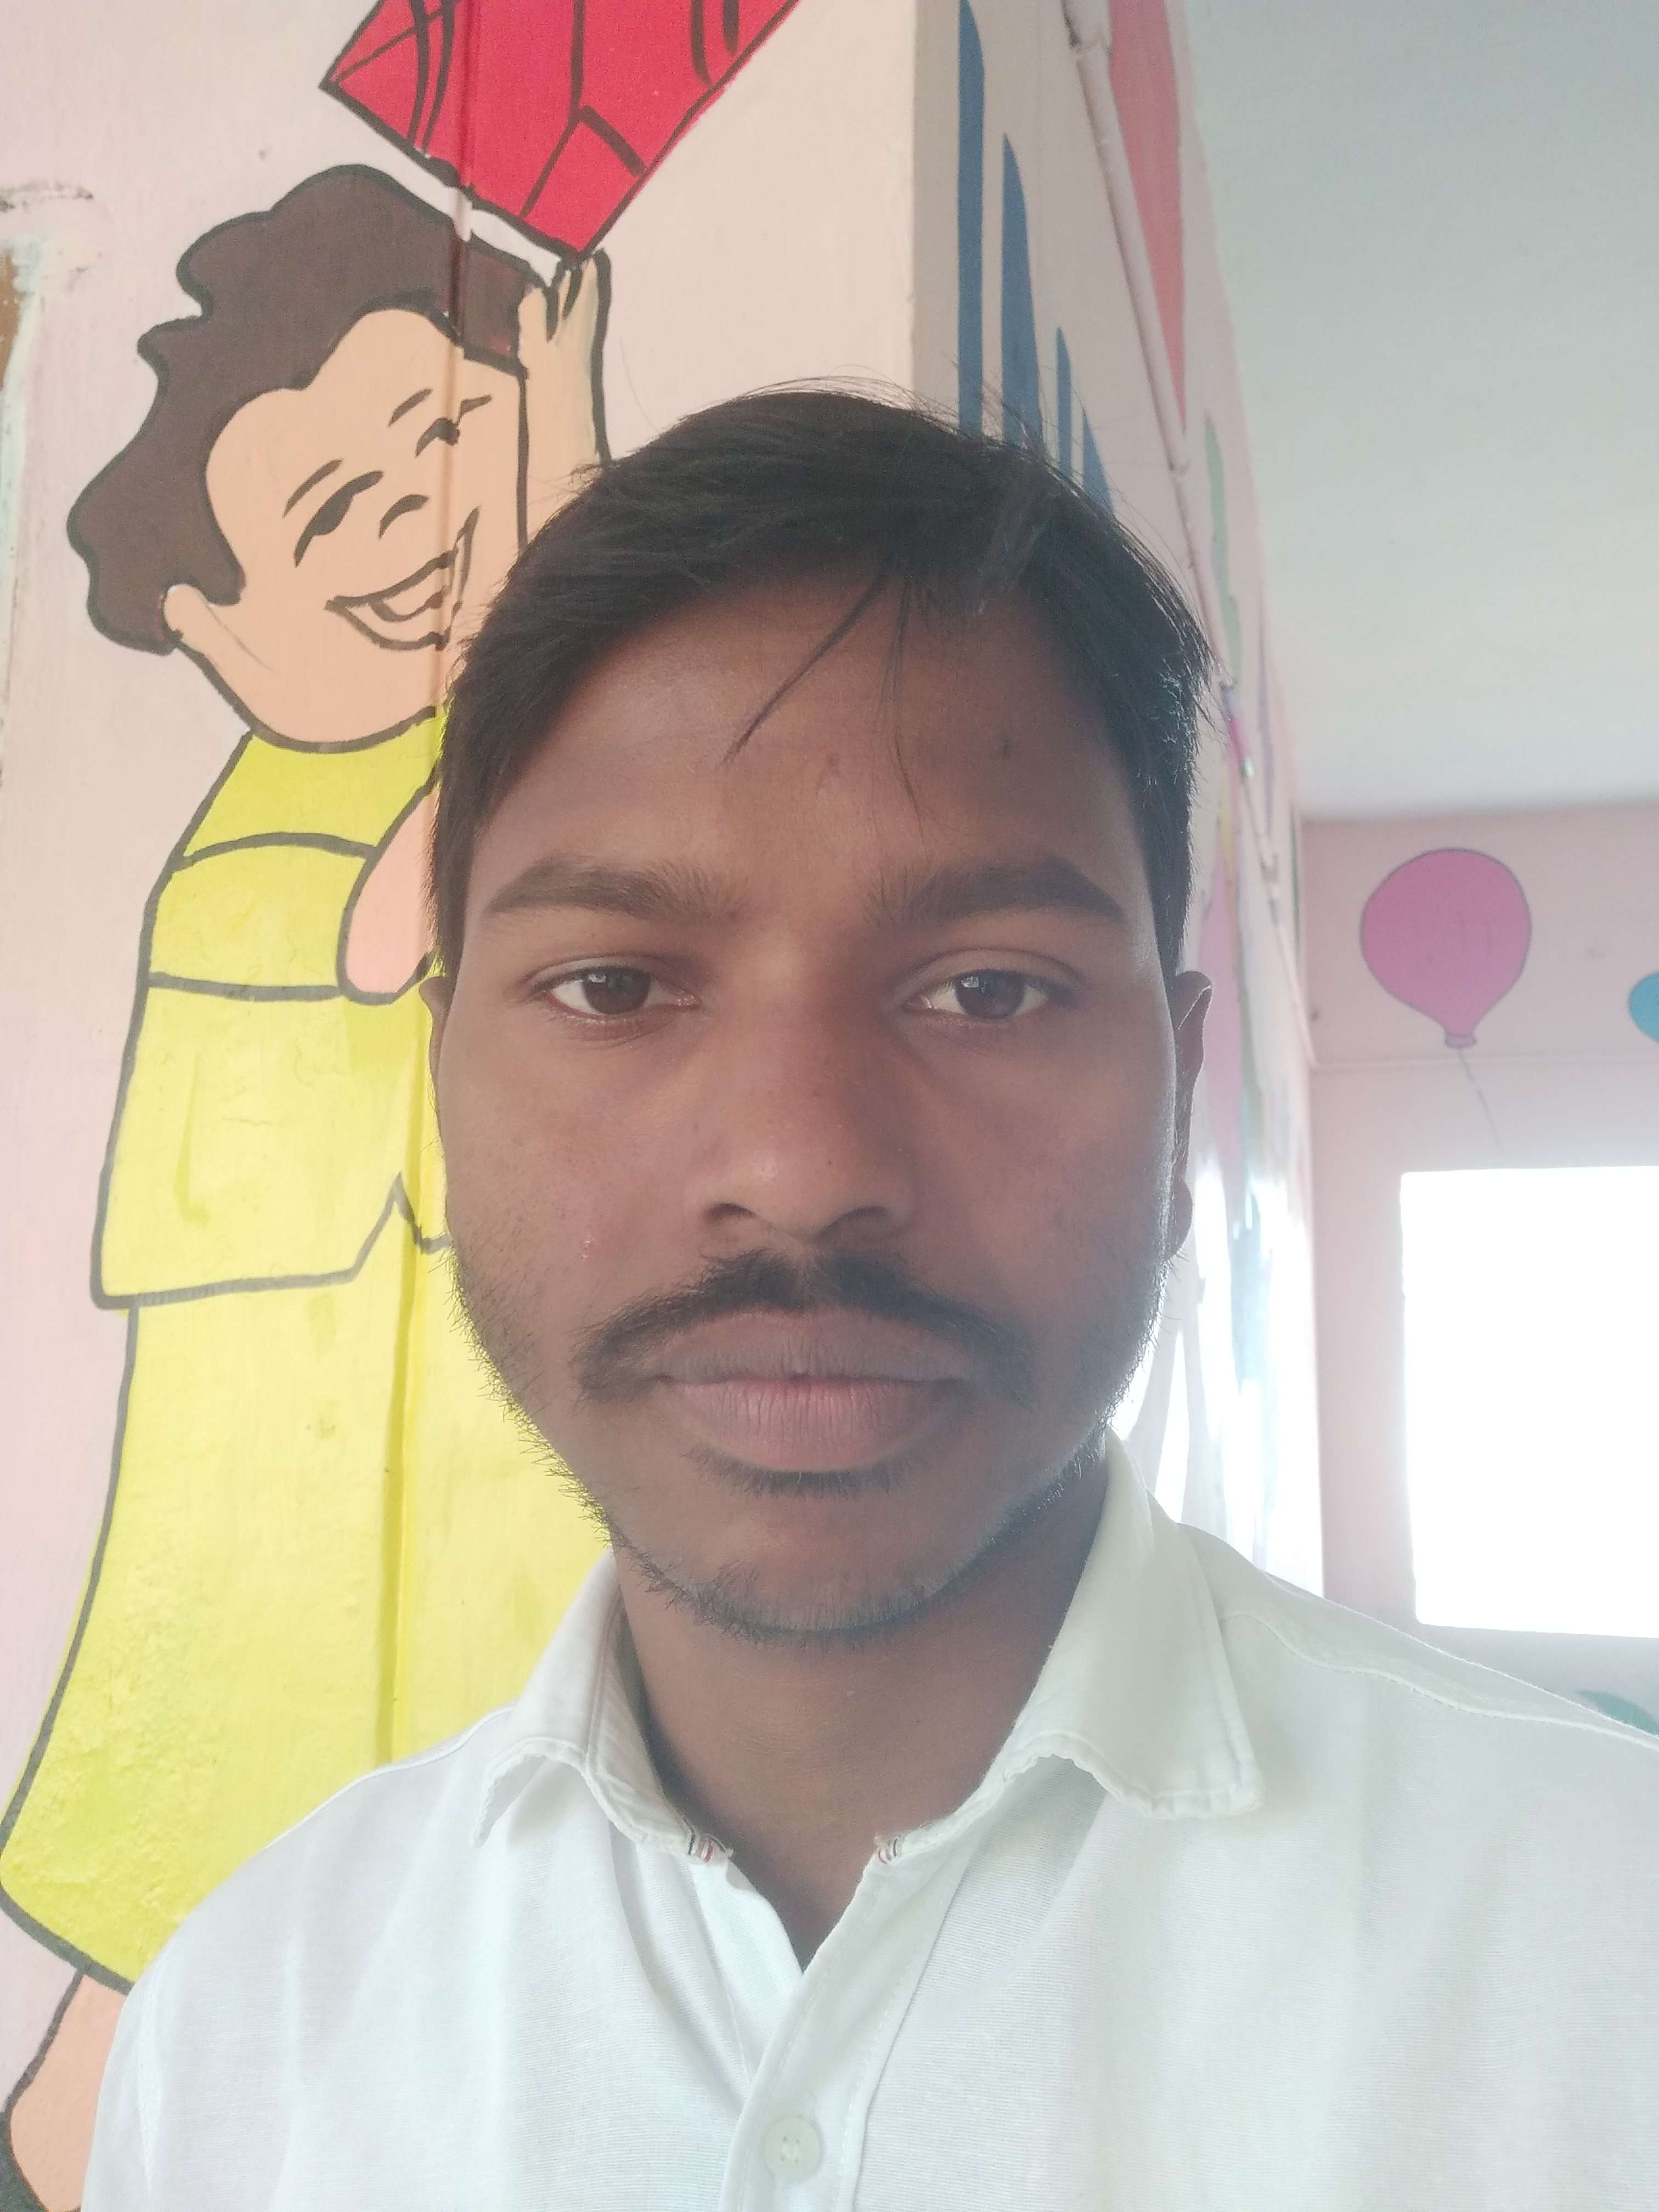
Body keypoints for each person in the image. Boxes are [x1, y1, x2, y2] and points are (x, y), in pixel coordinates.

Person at [84, 392, 1657, 2210]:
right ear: (441, 1080)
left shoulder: (1598, 1944)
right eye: (614, 986)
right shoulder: (246, 2032)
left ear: (1181, 1104)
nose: (802, 1165)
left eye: (988, 990)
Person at [1, 167, 609, 2206]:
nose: (410, 522)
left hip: (446, 1463)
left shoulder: (478, 762)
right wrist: (568, 522)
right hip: (270, 1489)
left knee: (447, 1897)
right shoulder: (270, 832)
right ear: (207, 625)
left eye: (444, 434)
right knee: (191, 1899)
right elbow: (397, 917)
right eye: (329, 512)